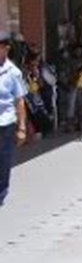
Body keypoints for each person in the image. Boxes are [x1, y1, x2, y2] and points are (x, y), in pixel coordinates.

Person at [0, 32, 28, 205]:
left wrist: (22, 127)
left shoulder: (13, 72)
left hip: (6, 122)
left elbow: (19, 101)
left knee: (3, 159)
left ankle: (1, 192)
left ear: (6, 49)